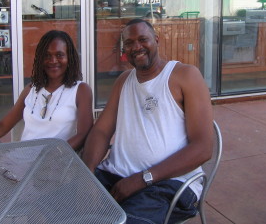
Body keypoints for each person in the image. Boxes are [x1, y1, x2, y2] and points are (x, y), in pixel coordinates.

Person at [82, 19, 214, 224]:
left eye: (143, 39)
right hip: (116, 176)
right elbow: (100, 131)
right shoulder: (124, 81)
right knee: (66, 206)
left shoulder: (185, 75)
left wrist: (143, 179)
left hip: (167, 184)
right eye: (129, 42)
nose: (136, 47)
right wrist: (88, 172)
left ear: (157, 40)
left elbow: (203, 148)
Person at [0, 30, 93, 152]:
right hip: (21, 162)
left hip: (55, 164)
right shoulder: (31, 89)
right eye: (47, 55)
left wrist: (57, 153)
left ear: (69, 58)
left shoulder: (80, 90)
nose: (53, 60)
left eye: (59, 55)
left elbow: (84, 134)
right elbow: (3, 126)